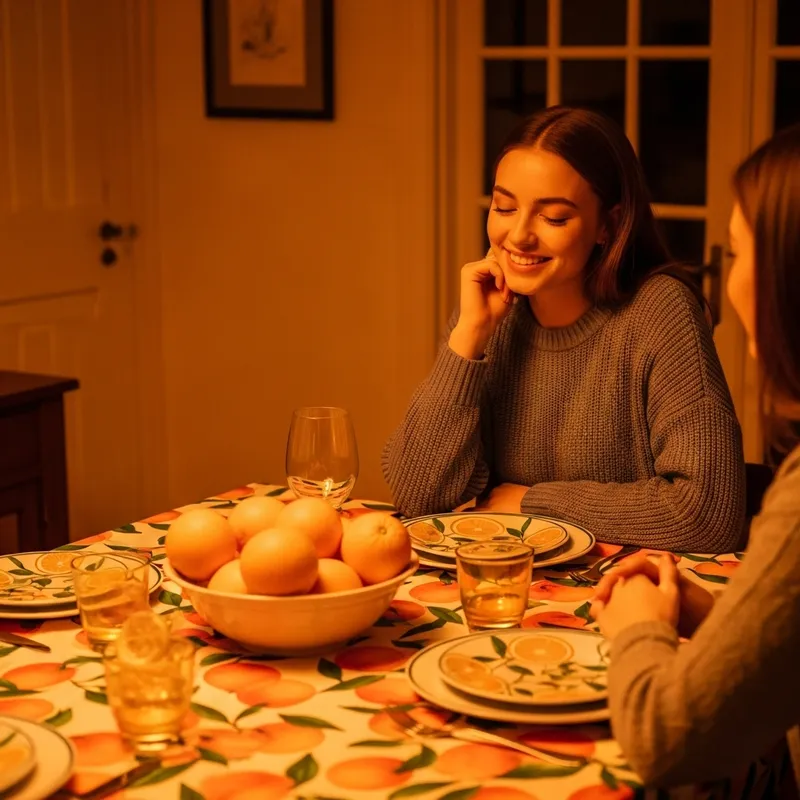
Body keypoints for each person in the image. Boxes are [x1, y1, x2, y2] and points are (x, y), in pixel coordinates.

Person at [382, 106, 745, 552]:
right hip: (510, 584)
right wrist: (467, 340)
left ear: (607, 226)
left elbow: (708, 514)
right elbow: (418, 496)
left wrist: (537, 502)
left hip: (624, 595)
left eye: (553, 217)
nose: (518, 236)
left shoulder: (660, 312)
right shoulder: (487, 313)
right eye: (504, 206)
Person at [591, 122, 800, 789]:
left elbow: (666, 740)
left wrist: (636, 630)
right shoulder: (495, 321)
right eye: (503, 206)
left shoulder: (660, 312)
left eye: (741, 255)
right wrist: (725, 623)